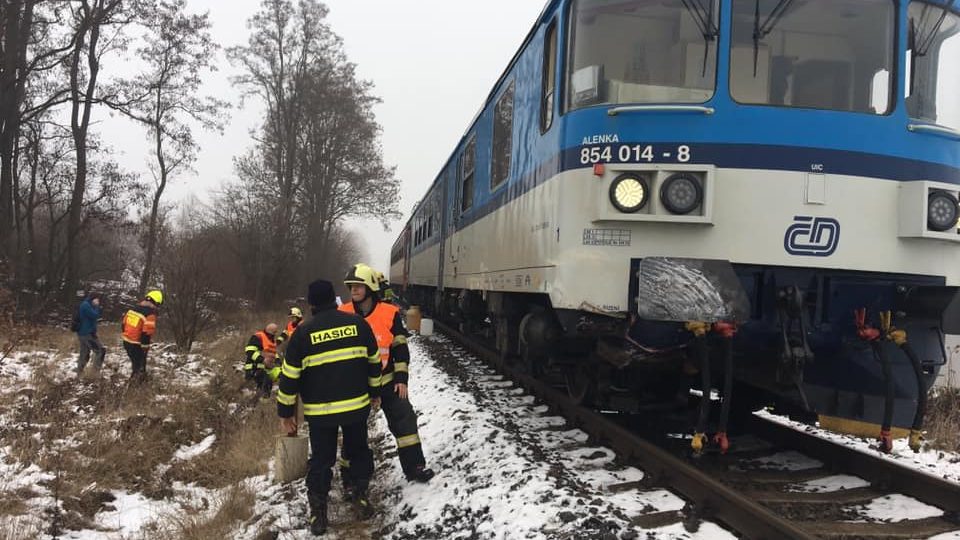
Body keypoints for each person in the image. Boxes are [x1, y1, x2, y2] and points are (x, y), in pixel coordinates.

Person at [277, 279, 383, 536]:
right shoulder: (358, 324)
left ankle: (318, 511)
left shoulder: (302, 333)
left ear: (311, 304)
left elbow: (289, 377)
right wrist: (375, 393)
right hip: (356, 408)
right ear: (334, 298)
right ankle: (358, 493)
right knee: (357, 451)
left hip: (320, 413)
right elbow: (374, 361)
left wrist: (286, 413)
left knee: (322, 460)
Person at [340, 263, 435, 483]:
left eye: (358, 286)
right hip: (357, 385)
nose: (353, 290)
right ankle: (350, 476)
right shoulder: (342, 313)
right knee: (352, 431)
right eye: (351, 286)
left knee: (405, 422)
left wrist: (402, 379)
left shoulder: (389, 313)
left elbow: (400, 347)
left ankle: (415, 468)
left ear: (370, 288)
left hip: (388, 381)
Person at [121, 290, 162, 382]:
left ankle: (136, 383)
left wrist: (127, 335)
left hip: (126, 342)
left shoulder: (132, 309)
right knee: (139, 368)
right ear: (156, 303)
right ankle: (134, 388)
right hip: (137, 344)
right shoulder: (150, 315)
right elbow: (146, 333)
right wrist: (145, 347)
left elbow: (123, 325)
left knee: (135, 365)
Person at [245, 323, 279, 397]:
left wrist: (278, 360)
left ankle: (262, 403)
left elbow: (272, 353)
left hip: (265, 369)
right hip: (254, 368)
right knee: (261, 388)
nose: (274, 335)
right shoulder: (257, 337)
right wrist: (262, 360)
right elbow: (249, 351)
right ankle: (257, 404)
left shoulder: (271, 340)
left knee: (267, 385)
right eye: (274, 333)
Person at [75, 292, 105, 376]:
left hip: (84, 333)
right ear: (93, 299)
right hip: (87, 333)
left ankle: (79, 373)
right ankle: (95, 374)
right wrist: (97, 307)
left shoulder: (87, 304)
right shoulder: (86, 305)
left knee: (84, 353)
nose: (98, 301)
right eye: (97, 299)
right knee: (100, 351)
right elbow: (94, 315)